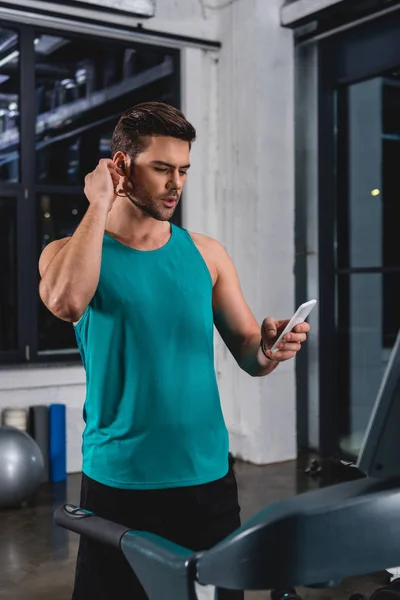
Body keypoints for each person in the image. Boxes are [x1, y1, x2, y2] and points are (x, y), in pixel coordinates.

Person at [38, 102, 310, 600]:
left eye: (182, 170)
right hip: (119, 481)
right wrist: (98, 204)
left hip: (207, 478)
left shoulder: (207, 254)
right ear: (120, 166)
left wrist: (271, 346)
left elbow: (251, 355)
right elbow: (64, 300)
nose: (175, 184)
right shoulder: (69, 252)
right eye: (161, 168)